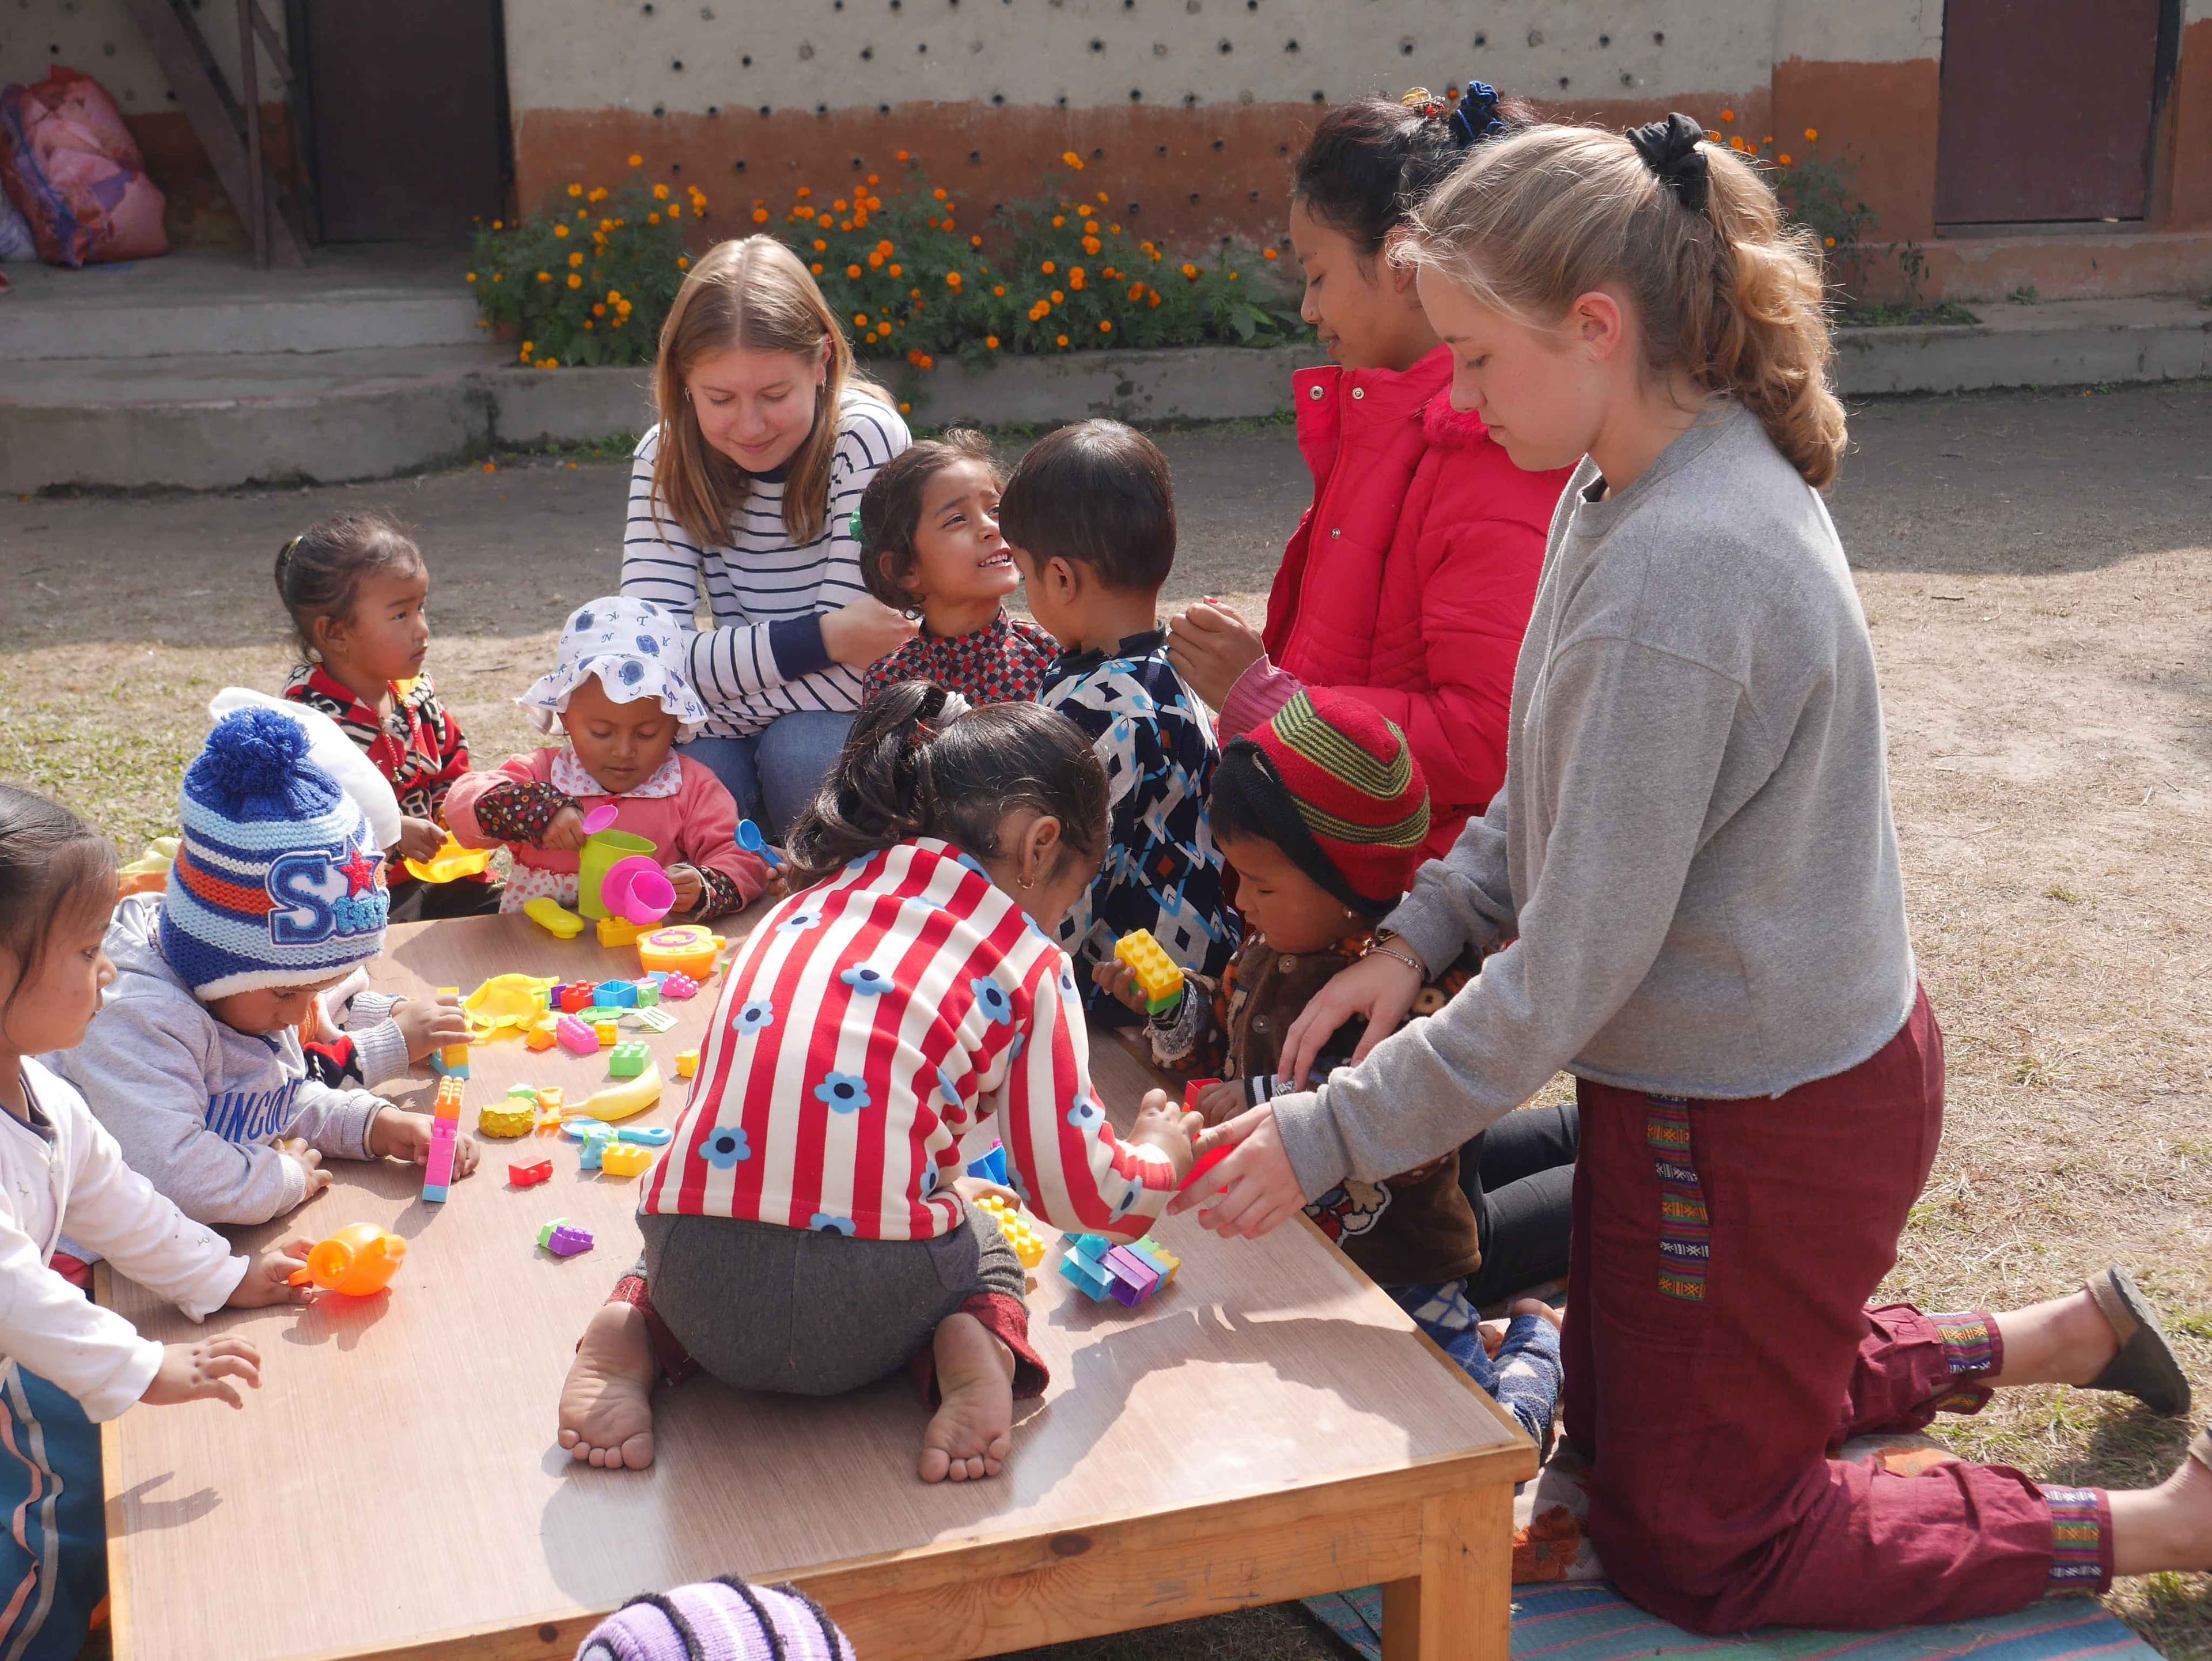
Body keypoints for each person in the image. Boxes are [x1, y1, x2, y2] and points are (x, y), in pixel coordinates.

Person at [1176, 114, 2212, 1629]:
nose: (1451, 391)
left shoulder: (1682, 567)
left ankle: (2150, 1522)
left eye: (1472, 355)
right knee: (1643, 1408)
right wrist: (1418, 934)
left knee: (1700, 1540)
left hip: (1765, 1117)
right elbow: (1551, 791)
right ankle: (2048, 1335)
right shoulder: (1627, 482)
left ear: (1597, 327)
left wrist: (1321, 1136)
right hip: (1723, 1090)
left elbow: (1568, 975)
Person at [556, 684, 1202, 1482]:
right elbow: (1078, 1194)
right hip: (867, 1309)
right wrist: (1160, 1155)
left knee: (718, 1198)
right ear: (1039, 847)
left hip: (698, 1282)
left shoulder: (802, 905)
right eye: (1074, 888)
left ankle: (635, 1325)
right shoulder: (1030, 960)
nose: (1062, 915)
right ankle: (977, 1349)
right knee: (985, 1239)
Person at [1097, 688, 1567, 1446]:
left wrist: (1253, 1096)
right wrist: (1173, 1006)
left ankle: (1536, 1343)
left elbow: (1412, 1138)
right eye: (1239, 878)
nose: (1242, 902)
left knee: (1486, 1445)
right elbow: (1222, 1047)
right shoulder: (1267, 953)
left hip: (1405, 1276)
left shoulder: (1409, 995)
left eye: (1264, 883)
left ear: (1349, 886)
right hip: (1292, 1262)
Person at [1166, 81, 1573, 862]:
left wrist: (1267, 698)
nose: (1310, 310)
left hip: (1420, 905)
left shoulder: (1492, 451)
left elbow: (1487, 740)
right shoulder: (1382, 424)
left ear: (1399, 262)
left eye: (1317, 275)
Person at [0, 784, 317, 1661]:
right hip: (15, 1372)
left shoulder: (42, 1084)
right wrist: (143, 1366)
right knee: (45, 1524)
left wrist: (219, 1275)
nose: (108, 973)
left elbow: (117, 1195)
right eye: (89, 949)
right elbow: (13, 1291)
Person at [53, 709, 481, 1226]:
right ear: (215, 959)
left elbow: (271, 1099)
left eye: (318, 991)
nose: (301, 1015)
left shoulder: (249, 992)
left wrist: (378, 1125)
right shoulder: (137, 1020)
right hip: (79, 1256)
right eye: (287, 995)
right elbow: (171, 1175)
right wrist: (283, 1178)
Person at [620, 236, 917, 838]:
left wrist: (705, 701)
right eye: (720, 398)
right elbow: (645, 662)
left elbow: (859, 673)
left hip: (833, 725)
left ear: (821, 363)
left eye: (775, 395)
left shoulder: (865, 439)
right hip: (748, 715)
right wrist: (826, 638)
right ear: (683, 382)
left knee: (801, 751)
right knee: (684, 779)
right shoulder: (666, 453)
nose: (750, 426)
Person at [998, 420, 1240, 1020]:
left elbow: (1071, 872)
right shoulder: (1170, 667)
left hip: (1130, 983)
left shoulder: (1099, 709)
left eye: (1026, 576)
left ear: (1060, 578)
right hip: (1199, 950)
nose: (1026, 590)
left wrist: (1011, 979)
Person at [442, 597, 772, 921]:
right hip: (533, 953)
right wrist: (535, 809)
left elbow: (742, 859)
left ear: (676, 723)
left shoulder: (690, 788)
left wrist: (703, 886)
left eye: (647, 734)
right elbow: (461, 808)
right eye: (601, 732)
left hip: (639, 958)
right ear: (566, 717)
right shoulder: (543, 775)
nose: (624, 751)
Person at [277, 510, 498, 919]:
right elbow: (311, 814)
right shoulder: (309, 722)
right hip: (362, 893)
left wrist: (463, 808)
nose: (422, 629)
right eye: (400, 615)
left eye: (421, 608)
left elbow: (451, 762)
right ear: (336, 633)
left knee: (508, 910)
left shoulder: (413, 697)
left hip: (440, 876)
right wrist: (391, 831)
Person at [854, 429, 1058, 706]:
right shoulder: (890, 681)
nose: (991, 527)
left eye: (995, 509)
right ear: (905, 569)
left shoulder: (1049, 656)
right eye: (957, 519)